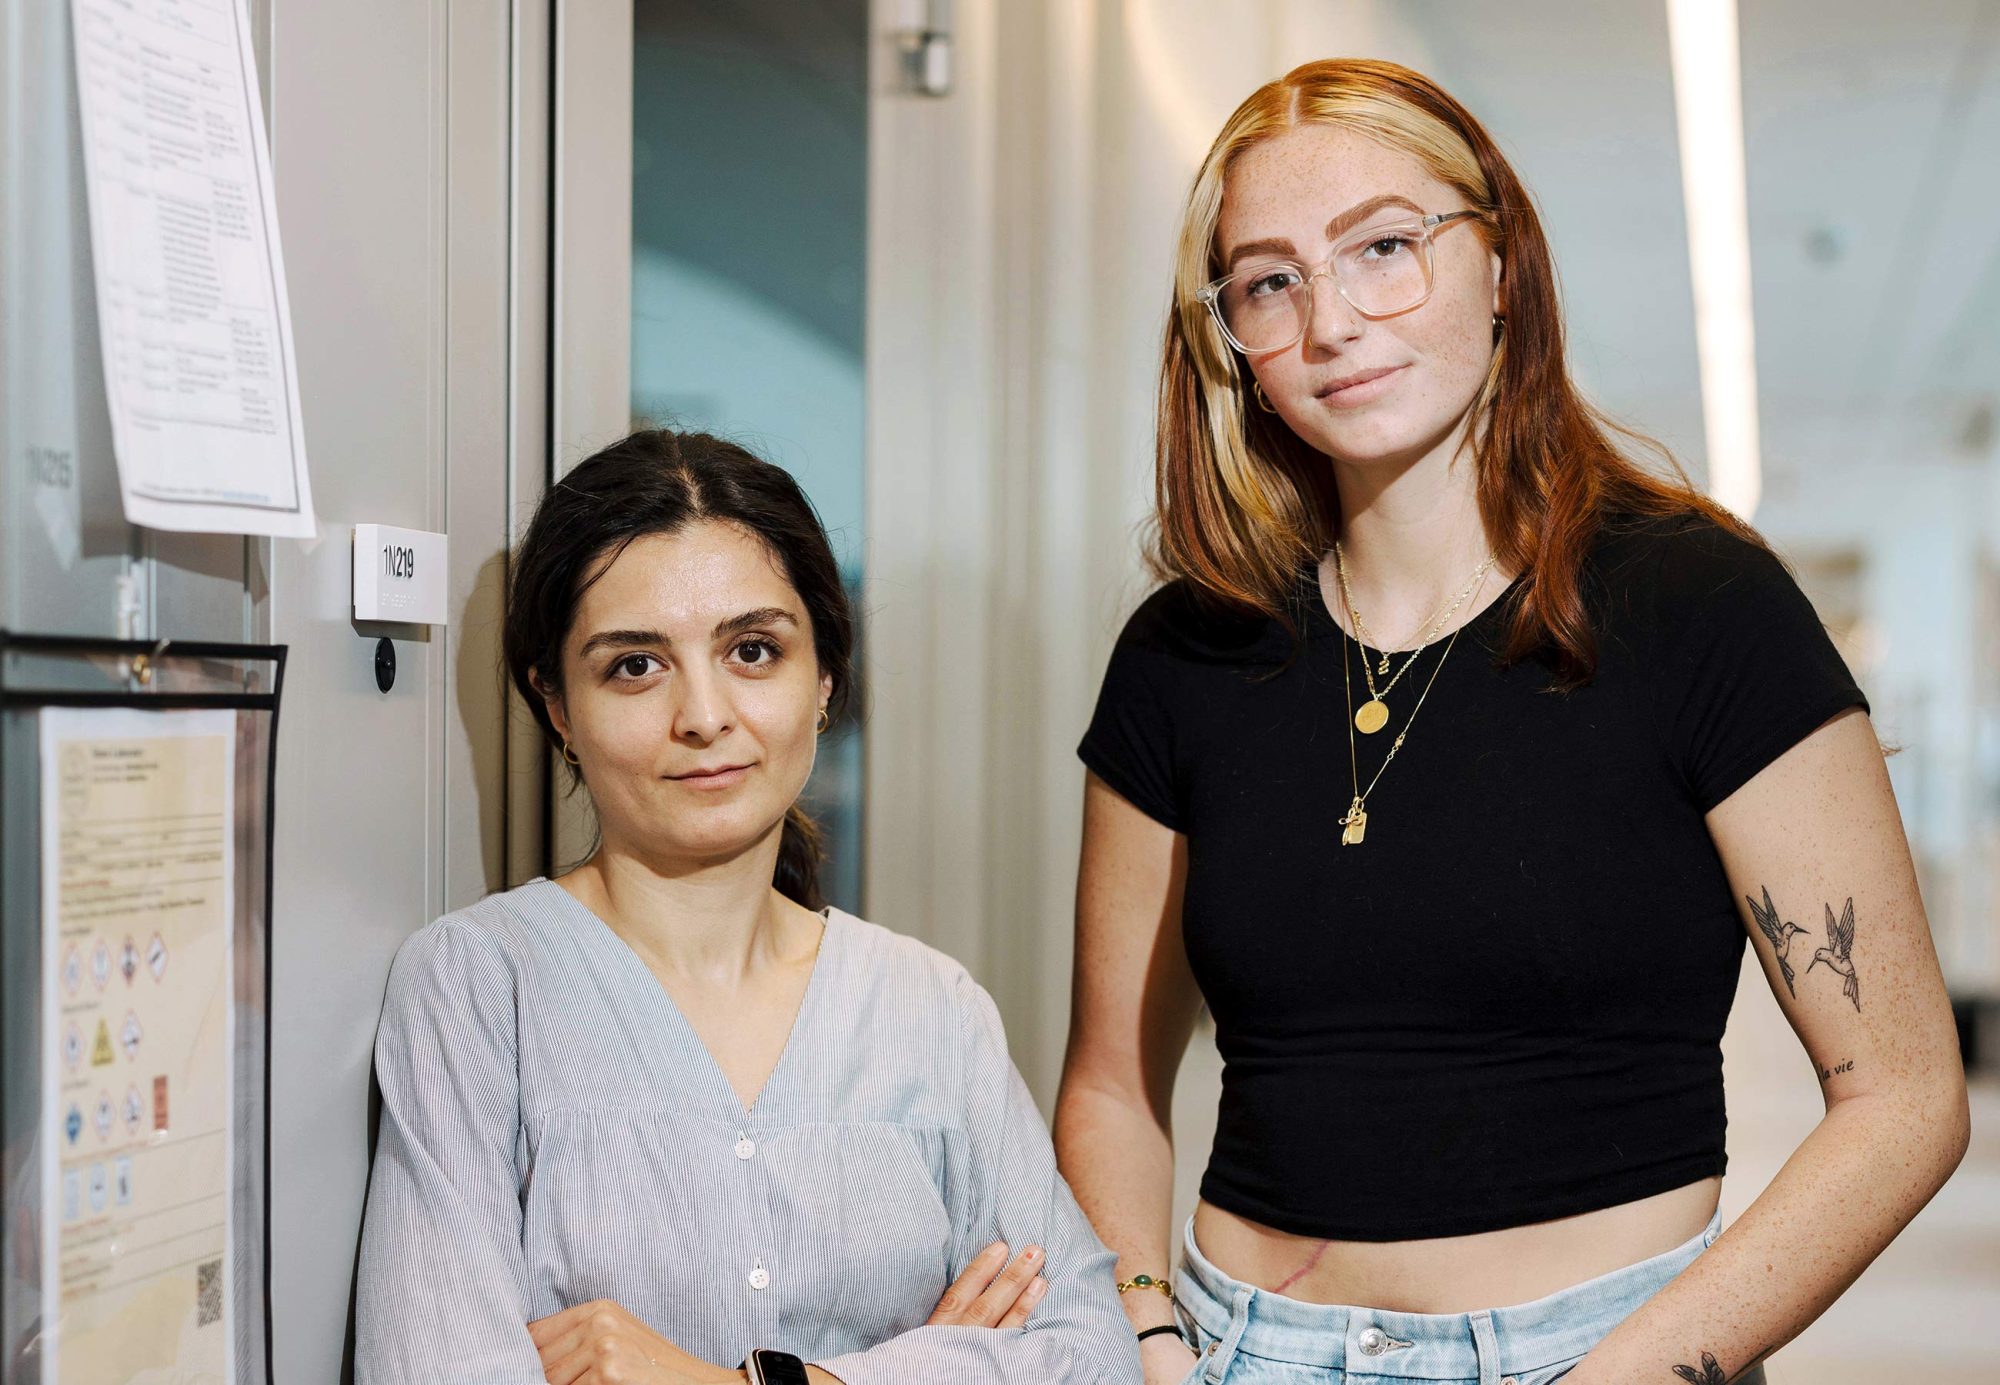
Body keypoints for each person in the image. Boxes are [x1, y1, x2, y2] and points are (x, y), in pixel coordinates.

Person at [1054, 58, 1968, 1385]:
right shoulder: (1185, 653)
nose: (1332, 322)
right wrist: (1147, 1334)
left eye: (1384, 248)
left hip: (1608, 1355)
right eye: (1270, 280)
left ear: (1505, 266)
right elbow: (1109, 1087)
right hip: (1241, 1349)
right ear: (1232, 342)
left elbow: (1904, 1096)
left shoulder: (1696, 604)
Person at [356, 429, 1140, 1385]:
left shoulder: (933, 1010)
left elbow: (1090, 1355)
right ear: (556, 704)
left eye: (753, 650)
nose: (705, 714)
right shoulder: (477, 988)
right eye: (635, 665)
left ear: (824, 680)